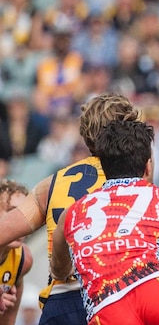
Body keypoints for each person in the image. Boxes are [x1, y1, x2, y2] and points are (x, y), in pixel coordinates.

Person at [50, 120, 159, 324]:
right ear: (147, 166)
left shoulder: (72, 213)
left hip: (106, 305)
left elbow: (58, 270)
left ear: (103, 167)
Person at [0, 93, 139, 325]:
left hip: (62, 302)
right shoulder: (136, 175)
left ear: (85, 135)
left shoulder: (52, 183)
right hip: (114, 296)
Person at [0, 181, 33, 325]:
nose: (21, 222)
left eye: (25, 214)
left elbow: (7, 321)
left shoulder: (23, 260)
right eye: (12, 211)